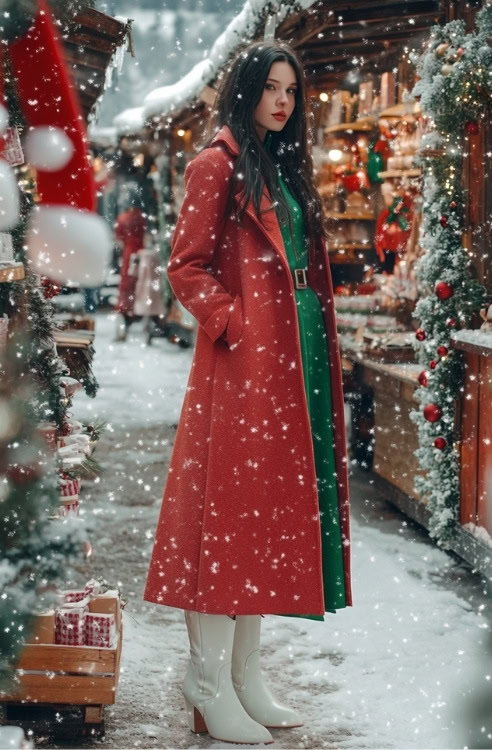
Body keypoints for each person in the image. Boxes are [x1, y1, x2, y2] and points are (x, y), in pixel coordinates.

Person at [144, 40, 352, 745]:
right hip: (242, 366)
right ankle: (206, 681)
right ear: (246, 91)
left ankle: (244, 675)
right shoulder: (216, 166)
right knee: (226, 514)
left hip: (292, 363)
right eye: (270, 87)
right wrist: (234, 324)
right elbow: (186, 267)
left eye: (291, 89)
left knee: (259, 515)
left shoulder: (281, 165)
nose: (283, 100)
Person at [114, 194, 147, 341]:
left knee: (127, 283)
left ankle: (127, 311)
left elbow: (119, 236)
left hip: (129, 251)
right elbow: (144, 232)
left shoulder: (122, 217)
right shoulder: (141, 216)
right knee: (140, 283)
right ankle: (138, 312)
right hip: (141, 250)